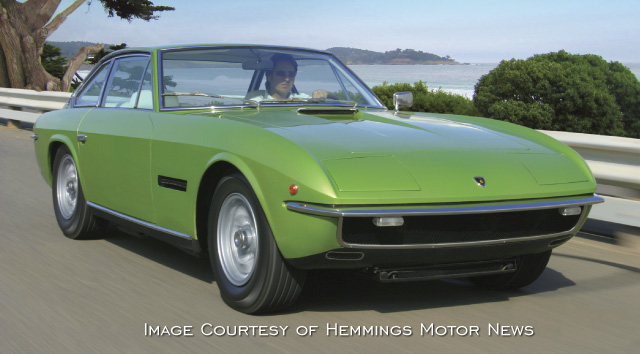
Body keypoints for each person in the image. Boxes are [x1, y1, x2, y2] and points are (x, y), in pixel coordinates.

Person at [245, 53, 326, 101]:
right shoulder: (255, 99)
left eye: (291, 74)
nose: (287, 79)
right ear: (269, 77)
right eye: (281, 73)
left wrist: (320, 97)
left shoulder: (302, 99)